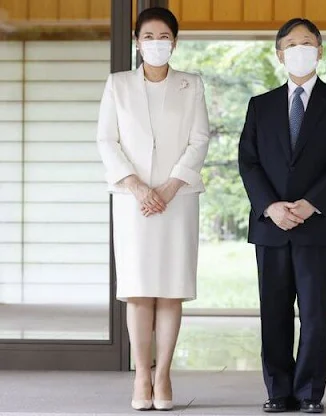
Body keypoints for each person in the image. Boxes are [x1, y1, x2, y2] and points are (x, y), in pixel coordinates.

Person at [238, 18, 326, 414]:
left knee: (313, 313)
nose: (299, 49)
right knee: (273, 311)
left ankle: (309, 392)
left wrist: (310, 203)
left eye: (307, 43)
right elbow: (249, 162)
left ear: (320, 50)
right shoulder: (261, 105)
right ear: (279, 53)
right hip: (271, 225)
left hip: (318, 224)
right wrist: (271, 207)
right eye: (291, 44)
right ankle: (278, 390)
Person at [96, 7, 210, 411]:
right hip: (132, 203)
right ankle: (141, 374)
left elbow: (200, 140)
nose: (156, 43)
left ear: (174, 42)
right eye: (148, 36)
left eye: (164, 36)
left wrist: (169, 185)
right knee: (139, 290)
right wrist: (137, 186)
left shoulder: (191, 85)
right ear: (137, 42)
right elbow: (107, 140)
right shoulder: (118, 84)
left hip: (177, 199)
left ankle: (164, 375)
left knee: (171, 290)